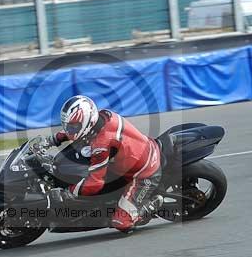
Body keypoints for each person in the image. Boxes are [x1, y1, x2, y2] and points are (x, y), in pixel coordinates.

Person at [42, 95, 162, 234]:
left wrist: (67, 193)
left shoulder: (102, 143)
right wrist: (54, 139)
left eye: (74, 127)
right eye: (68, 126)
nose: (70, 130)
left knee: (121, 222)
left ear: (88, 120)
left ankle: (150, 205)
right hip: (130, 159)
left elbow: (95, 183)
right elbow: (80, 130)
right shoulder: (101, 117)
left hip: (144, 172)